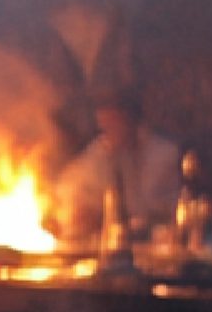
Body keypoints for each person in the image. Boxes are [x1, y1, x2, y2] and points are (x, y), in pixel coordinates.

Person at [50, 88, 183, 245]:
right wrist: (78, 206)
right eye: (104, 127)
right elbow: (69, 184)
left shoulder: (163, 155)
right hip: (117, 243)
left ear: (130, 121)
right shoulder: (101, 150)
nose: (107, 134)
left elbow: (150, 209)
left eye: (113, 124)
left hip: (161, 242)